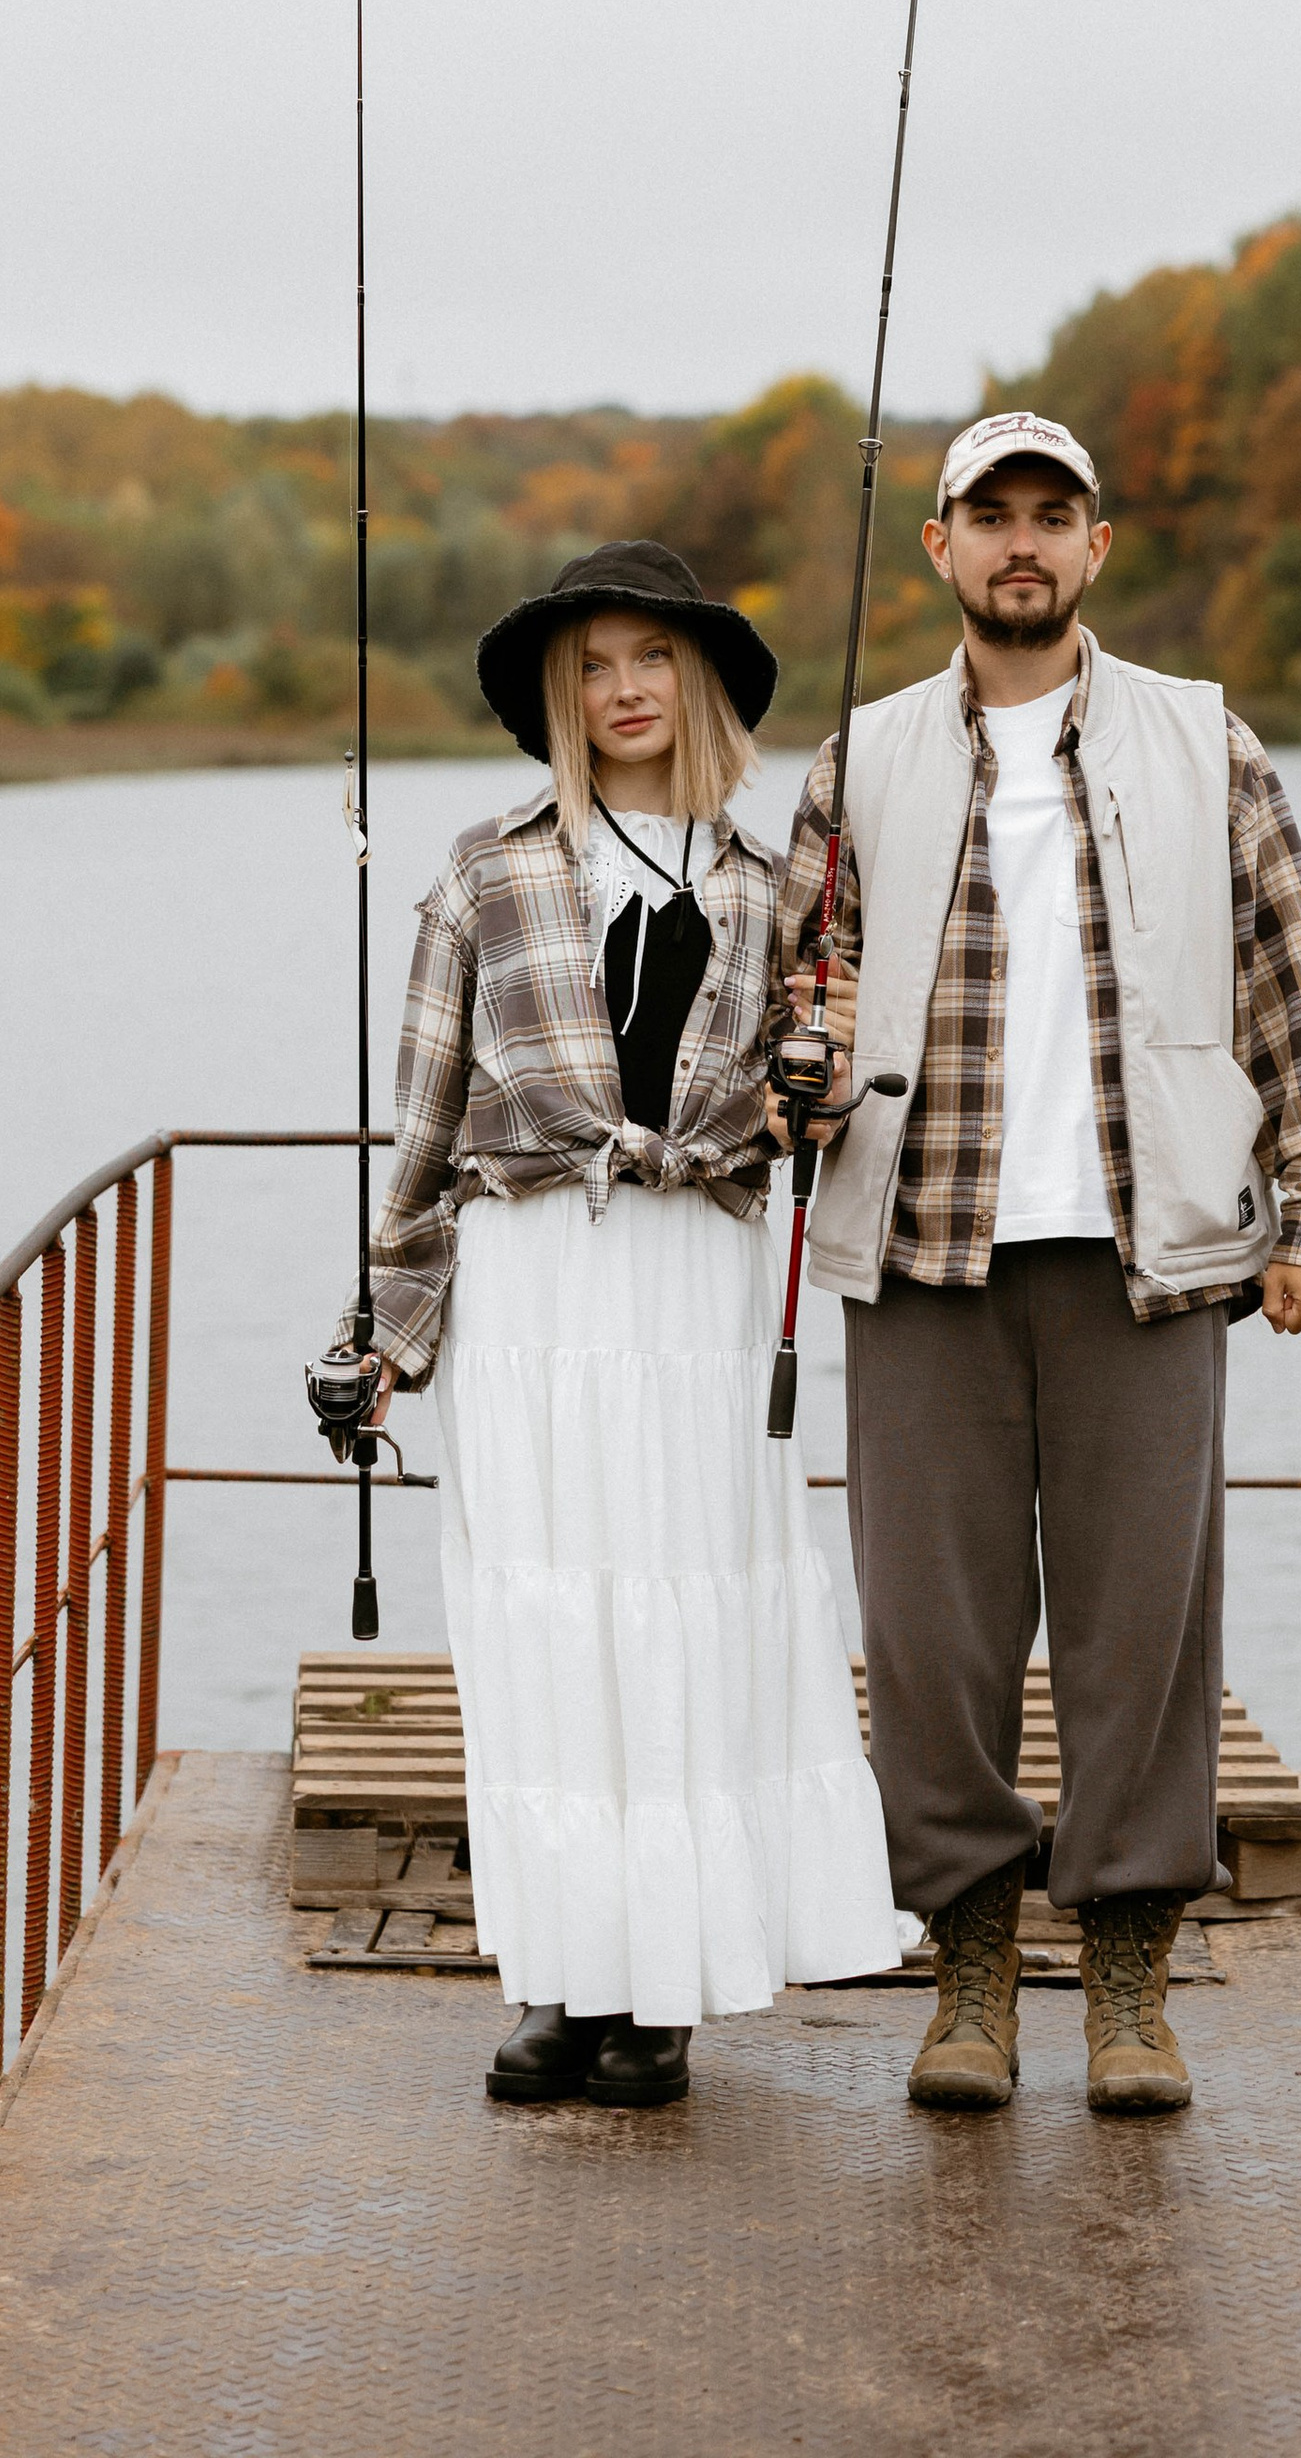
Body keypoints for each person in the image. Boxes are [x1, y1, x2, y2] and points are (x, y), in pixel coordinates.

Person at [776, 410, 1301, 2119]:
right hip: (921, 1253)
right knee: (930, 1638)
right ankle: (970, 1976)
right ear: (942, 551)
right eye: (993, 518)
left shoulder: (1209, 747)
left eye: (1055, 516)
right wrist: (796, 1064)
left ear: (1098, 548)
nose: (1023, 544)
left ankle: (1128, 1982)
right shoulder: (859, 761)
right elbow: (783, 1006)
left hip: (1154, 1257)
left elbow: (1299, 981)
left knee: (1145, 1634)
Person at [337, 538, 904, 2110]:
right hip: (532, 1284)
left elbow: (822, 1117)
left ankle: (665, 1991)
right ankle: (564, 1979)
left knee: (692, 1608)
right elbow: (424, 1125)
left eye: (653, 657)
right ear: (558, 694)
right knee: (547, 1625)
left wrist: (821, 1083)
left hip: (703, 1283)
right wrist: (382, 1334)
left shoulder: (786, 890)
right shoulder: (482, 872)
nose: (626, 688)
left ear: (703, 682)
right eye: (594, 663)